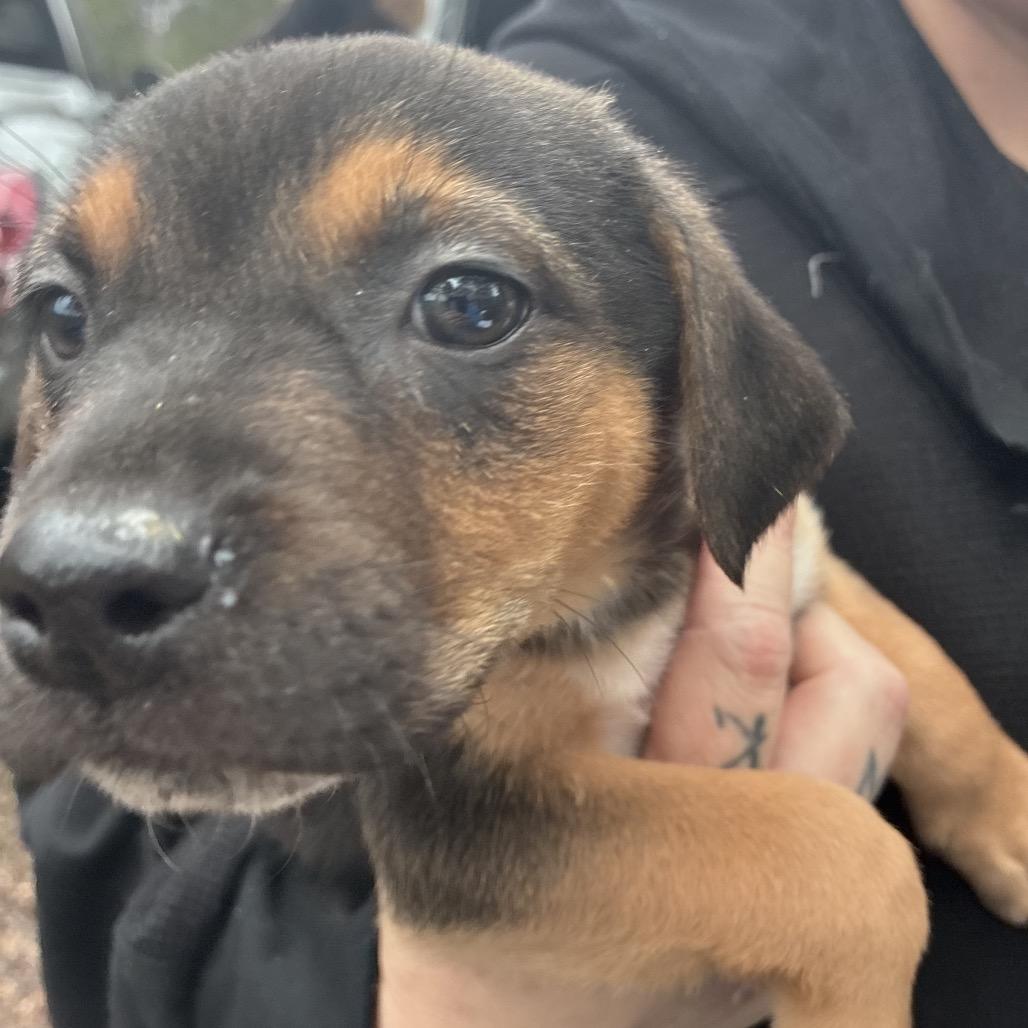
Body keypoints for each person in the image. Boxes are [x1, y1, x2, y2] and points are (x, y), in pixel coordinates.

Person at [16, 1, 1026, 1026]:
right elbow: (458, 844)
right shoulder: (617, 71)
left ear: (703, 391)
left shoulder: (698, 445)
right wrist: (835, 889)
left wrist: (978, 779)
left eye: (465, 304)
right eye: (66, 313)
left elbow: (808, 568)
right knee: (849, 888)